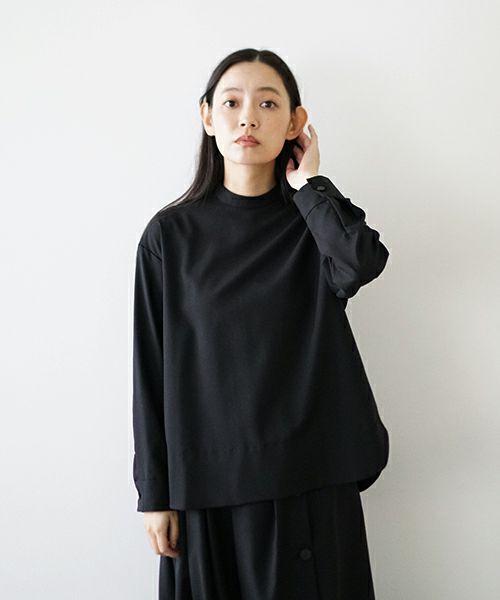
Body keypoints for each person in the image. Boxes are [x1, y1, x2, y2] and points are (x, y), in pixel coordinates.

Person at [132, 48, 390, 600]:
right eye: (231, 103)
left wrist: (310, 184)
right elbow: (150, 370)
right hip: (208, 486)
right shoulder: (169, 237)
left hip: (310, 478)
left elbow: (360, 262)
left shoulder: (314, 222)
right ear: (207, 117)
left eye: (268, 104)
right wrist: (154, 493)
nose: (248, 117)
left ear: (296, 123)